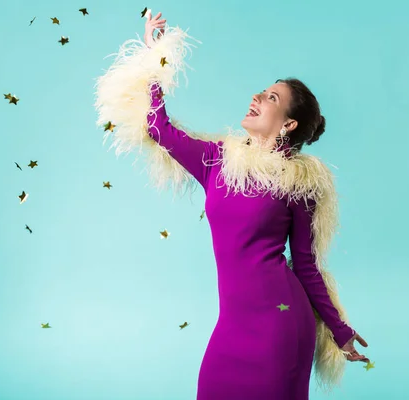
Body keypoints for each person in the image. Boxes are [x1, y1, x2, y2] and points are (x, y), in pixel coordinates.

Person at [94, 10, 370, 400]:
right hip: (232, 327)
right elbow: (158, 128)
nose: (256, 97)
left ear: (288, 124)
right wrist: (155, 54)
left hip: (281, 326)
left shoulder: (299, 182)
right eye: (262, 91)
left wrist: (339, 331)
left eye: (272, 97)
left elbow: (306, 265)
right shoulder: (217, 160)